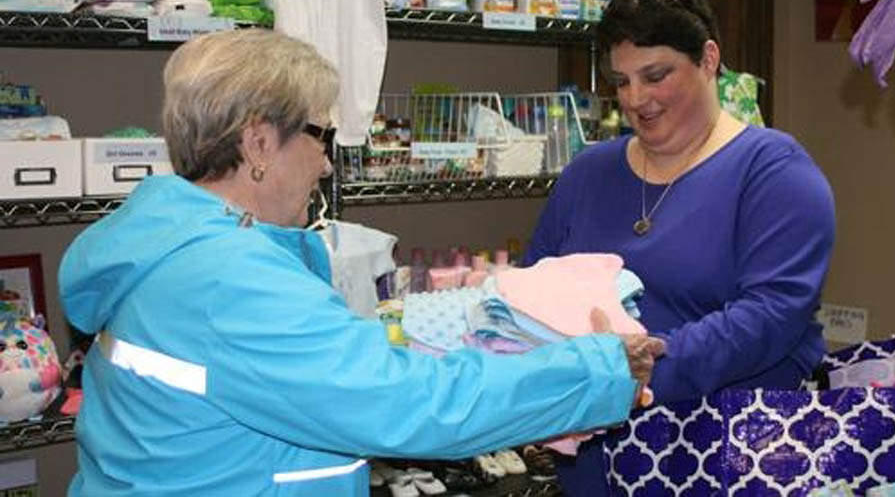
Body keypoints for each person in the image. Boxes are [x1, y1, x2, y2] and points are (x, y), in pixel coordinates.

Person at [58, 29, 666, 497]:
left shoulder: (162, 247)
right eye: (321, 136)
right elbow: (407, 405)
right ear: (259, 142)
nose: (326, 165)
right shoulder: (227, 280)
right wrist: (596, 369)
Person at [522, 0, 836, 496]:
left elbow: (770, 317)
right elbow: (533, 291)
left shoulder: (775, 172)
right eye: (622, 81)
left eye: (656, 74)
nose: (636, 97)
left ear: (708, 60)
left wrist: (637, 369)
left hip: (728, 457)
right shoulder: (587, 173)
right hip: (596, 466)